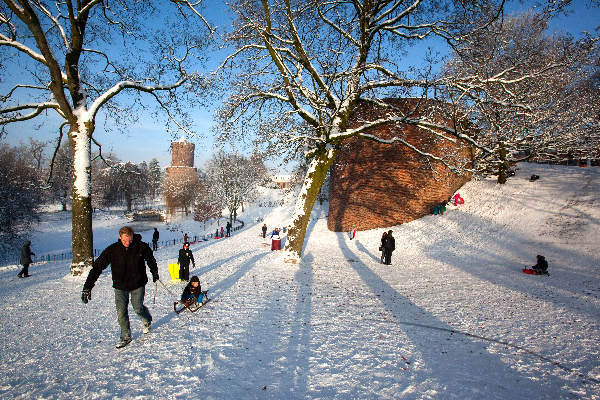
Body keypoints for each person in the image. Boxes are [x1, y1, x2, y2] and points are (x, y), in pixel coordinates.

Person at [81, 226, 159, 349]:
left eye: (129, 240)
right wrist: (87, 287)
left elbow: (151, 259)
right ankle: (126, 336)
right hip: (120, 286)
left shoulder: (141, 247)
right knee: (121, 312)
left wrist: (155, 273)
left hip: (137, 284)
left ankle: (147, 319)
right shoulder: (112, 250)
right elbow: (97, 267)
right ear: (119, 237)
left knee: (138, 308)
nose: (127, 243)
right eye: (124, 240)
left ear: (133, 237)